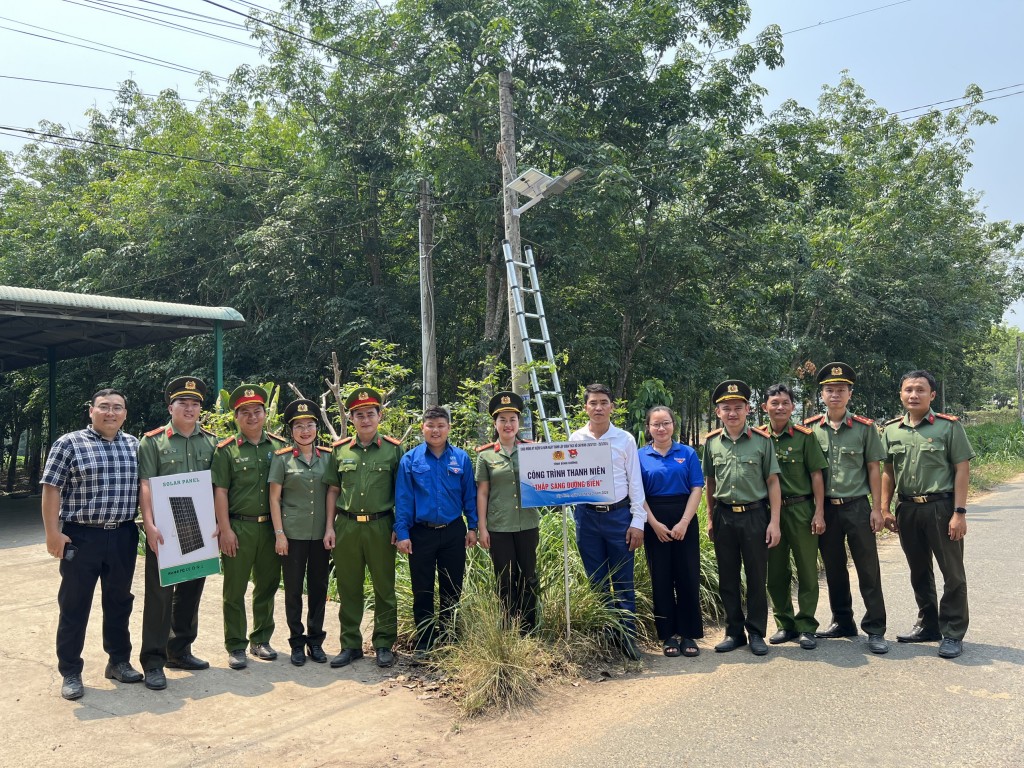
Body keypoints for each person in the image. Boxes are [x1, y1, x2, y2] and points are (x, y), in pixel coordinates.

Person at [41, 388, 142, 700]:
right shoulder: (69, 443)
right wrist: (52, 534)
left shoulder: (134, 445)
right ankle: (70, 671)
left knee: (119, 602)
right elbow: (51, 488)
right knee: (74, 604)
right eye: (104, 407)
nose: (110, 413)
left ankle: (118, 661)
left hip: (124, 535)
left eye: (117, 407)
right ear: (91, 411)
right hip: (82, 536)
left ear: (125, 413)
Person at [880, 369, 975, 659]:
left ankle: (953, 632)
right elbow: (888, 471)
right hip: (907, 508)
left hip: (941, 507)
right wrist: (884, 507)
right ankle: (928, 626)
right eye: (908, 389)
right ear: (901, 394)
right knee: (919, 571)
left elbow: (962, 468)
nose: (914, 395)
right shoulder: (891, 429)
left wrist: (959, 512)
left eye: (920, 390)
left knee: (952, 573)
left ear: (932, 395)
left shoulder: (948, 427)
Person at [137, 376, 218, 691]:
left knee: (191, 592)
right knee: (159, 597)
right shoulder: (153, 442)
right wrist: (149, 522)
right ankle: (153, 661)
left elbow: (216, 487)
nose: (189, 408)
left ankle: (180, 650)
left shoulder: (211, 442)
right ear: (170, 407)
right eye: (182, 403)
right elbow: (146, 484)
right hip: (164, 531)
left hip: (199, 528)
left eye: (195, 403)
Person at [805, 362, 890, 654]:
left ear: (850, 394)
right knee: (833, 568)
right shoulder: (810, 429)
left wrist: (877, 508)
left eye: (841, 390)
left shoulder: (865, 429)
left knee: (868, 568)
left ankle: (876, 628)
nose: (835, 394)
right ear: (822, 395)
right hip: (826, 509)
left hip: (857, 507)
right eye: (829, 390)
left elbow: (874, 469)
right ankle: (843, 621)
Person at [323, 387, 403, 669]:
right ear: (351, 418)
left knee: (384, 587)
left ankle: (383, 644)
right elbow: (333, 490)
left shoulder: (393, 450)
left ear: (380, 416)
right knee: (349, 587)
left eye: (371, 414)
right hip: (346, 526)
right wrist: (329, 527)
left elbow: (402, 492)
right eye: (359, 415)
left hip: (382, 526)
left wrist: (400, 527)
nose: (365, 419)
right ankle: (350, 645)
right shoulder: (340, 450)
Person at [701, 380, 782, 657]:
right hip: (724, 516)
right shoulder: (712, 444)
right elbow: (710, 483)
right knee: (728, 577)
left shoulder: (762, 441)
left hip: (755, 516)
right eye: (726, 408)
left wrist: (774, 522)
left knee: (758, 576)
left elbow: (772, 481)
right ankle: (734, 631)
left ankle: (757, 632)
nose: (732, 413)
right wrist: (710, 518)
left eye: (738, 407)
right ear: (718, 412)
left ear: (747, 409)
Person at [211, 384, 288, 670]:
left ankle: (261, 639)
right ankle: (235, 645)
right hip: (239, 527)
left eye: (257, 411)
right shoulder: (226, 450)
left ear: (266, 414)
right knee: (234, 589)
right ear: (236, 416)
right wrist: (225, 529)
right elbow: (220, 491)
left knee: (267, 586)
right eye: (245, 412)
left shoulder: (279, 448)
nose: (252, 416)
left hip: (270, 528)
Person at [569, 383, 647, 660]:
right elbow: (567, 479)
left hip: (618, 517)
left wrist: (638, 521)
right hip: (587, 517)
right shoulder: (575, 439)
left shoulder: (624, 439)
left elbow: (635, 482)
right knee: (597, 581)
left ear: (612, 406)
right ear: (585, 407)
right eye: (593, 403)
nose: (599, 407)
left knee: (623, 581)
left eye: (604, 402)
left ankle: (627, 638)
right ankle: (605, 638)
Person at [394, 406, 478, 659]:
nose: (436, 430)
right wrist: (402, 532)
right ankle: (425, 640)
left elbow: (469, 496)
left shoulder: (461, 458)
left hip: (453, 531)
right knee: (423, 589)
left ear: (448, 428)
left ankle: (449, 638)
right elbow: (404, 498)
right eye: (431, 426)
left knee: (453, 587)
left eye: (441, 425)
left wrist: (472, 526)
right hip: (421, 533)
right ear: (423, 428)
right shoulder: (410, 459)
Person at [761, 383, 828, 651]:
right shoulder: (757, 437)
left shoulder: (804, 436)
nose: (780, 407)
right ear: (765, 406)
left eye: (785, 403)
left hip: (801, 510)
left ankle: (807, 626)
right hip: (768, 513)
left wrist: (819, 512)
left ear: (792, 407)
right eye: (774, 402)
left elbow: (816, 475)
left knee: (807, 570)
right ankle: (784, 623)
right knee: (775, 572)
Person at [269, 399, 333, 667]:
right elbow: (274, 499)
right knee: (293, 590)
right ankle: (297, 642)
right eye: (299, 426)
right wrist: (279, 534)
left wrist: (331, 527)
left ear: (317, 428)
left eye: (309, 425)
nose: (305, 430)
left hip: (320, 534)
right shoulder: (282, 459)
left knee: (319, 588)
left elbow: (333, 493)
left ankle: (315, 641)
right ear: (291, 430)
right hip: (292, 534)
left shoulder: (328, 457)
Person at [638, 405, 705, 658]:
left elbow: (697, 488)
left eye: (665, 423)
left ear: (673, 425)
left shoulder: (687, 453)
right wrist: (653, 523)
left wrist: (684, 522)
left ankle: (689, 633)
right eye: (656, 424)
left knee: (687, 575)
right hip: (653, 517)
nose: (661, 428)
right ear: (649, 428)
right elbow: (637, 492)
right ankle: (667, 634)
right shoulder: (640, 455)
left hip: (684, 517)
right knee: (661, 578)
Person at [475, 391, 539, 632]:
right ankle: (506, 627)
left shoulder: (532, 450)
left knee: (528, 576)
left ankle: (528, 627)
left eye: (512, 419)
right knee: (504, 579)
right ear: (495, 423)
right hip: (499, 526)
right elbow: (482, 492)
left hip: (527, 523)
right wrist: (482, 528)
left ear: (519, 422)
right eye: (502, 420)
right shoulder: (486, 454)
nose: (508, 424)